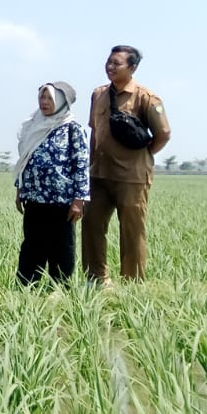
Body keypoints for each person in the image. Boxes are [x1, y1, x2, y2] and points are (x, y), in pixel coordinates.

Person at [83, 45, 171, 283]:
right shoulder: (98, 94)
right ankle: (96, 279)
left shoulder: (146, 98)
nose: (110, 67)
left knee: (132, 232)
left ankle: (132, 284)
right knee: (91, 224)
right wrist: (89, 164)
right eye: (109, 62)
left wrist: (143, 155)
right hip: (100, 174)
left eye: (117, 63)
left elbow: (163, 133)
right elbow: (95, 132)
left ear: (132, 68)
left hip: (132, 177)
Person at [12, 81, 89, 285]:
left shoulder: (72, 129)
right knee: (32, 245)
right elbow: (24, 161)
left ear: (61, 102)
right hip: (34, 198)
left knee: (61, 247)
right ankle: (27, 287)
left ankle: (59, 289)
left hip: (62, 201)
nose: (44, 102)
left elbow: (81, 165)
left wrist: (79, 200)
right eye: (42, 97)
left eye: (49, 98)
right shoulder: (33, 126)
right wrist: (20, 190)